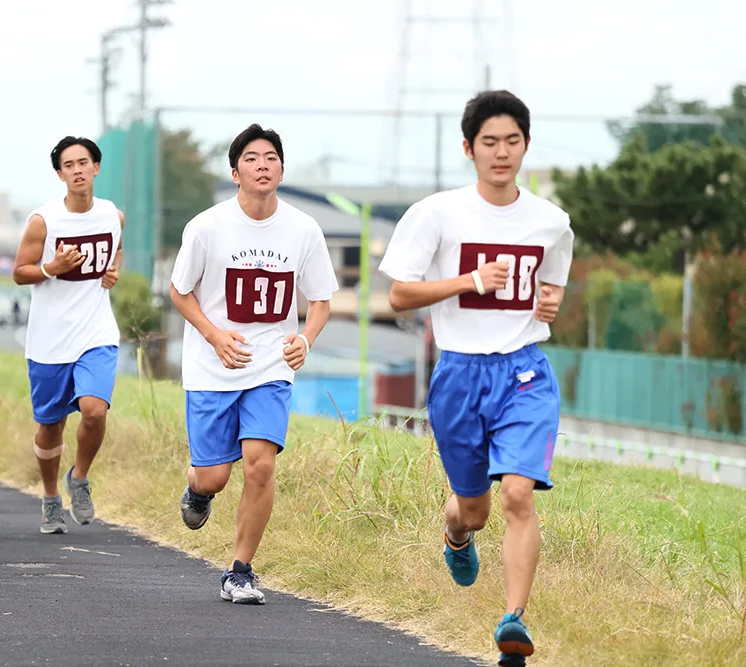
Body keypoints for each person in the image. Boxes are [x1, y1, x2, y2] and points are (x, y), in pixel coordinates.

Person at [378, 90, 574, 667]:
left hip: (524, 372)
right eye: (489, 142)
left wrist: (551, 301)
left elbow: (554, 276)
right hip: (460, 374)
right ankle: (456, 534)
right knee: (476, 509)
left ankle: (513, 622)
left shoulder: (550, 221)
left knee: (517, 494)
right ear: (469, 148)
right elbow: (397, 296)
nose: (501, 152)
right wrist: (469, 281)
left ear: (526, 146)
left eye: (512, 141)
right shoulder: (438, 213)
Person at [170, 124, 339, 605]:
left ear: (282, 170)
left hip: (269, 365)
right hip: (212, 365)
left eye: (270, 157)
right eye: (251, 158)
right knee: (214, 476)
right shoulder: (206, 227)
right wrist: (215, 335)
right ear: (235, 171)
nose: (261, 165)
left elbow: (322, 300)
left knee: (260, 466)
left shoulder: (304, 229)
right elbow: (180, 292)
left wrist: (305, 340)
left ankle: (240, 571)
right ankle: (198, 491)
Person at [12, 136, 123, 535]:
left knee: (95, 410)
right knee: (50, 426)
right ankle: (49, 497)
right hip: (49, 339)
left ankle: (79, 477)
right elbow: (19, 271)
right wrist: (51, 267)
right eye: (68, 165)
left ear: (96, 167)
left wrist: (113, 271)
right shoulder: (44, 220)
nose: (77, 170)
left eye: (84, 162)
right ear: (60, 174)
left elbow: (116, 250)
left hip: (96, 332)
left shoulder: (113, 215)